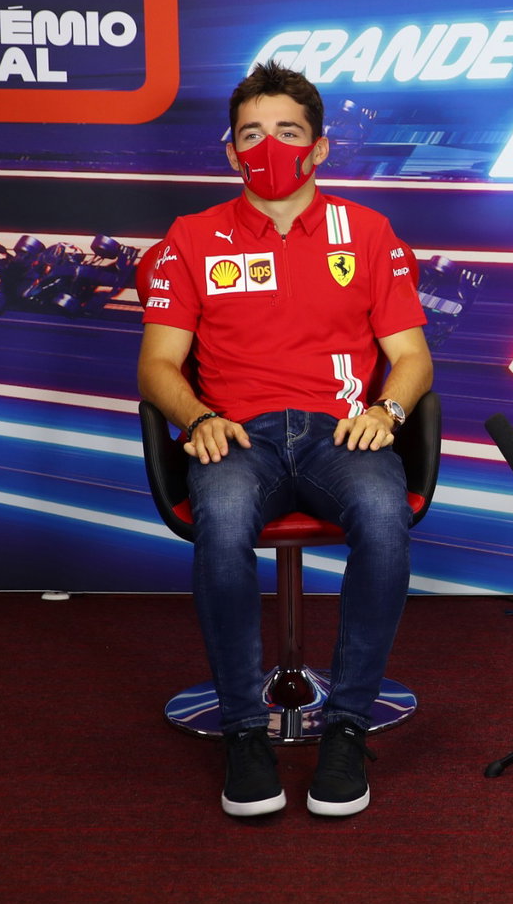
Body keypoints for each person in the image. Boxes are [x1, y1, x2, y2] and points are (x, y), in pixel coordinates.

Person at [138, 62, 433, 818]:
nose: (268, 146)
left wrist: (388, 415)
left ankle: (346, 725)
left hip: (343, 433)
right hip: (238, 436)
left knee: (383, 517)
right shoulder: (191, 237)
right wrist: (199, 418)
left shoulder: (365, 233)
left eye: (288, 132)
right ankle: (244, 731)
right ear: (231, 152)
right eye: (251, 134)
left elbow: (411, 358)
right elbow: (159, 364)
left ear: (320, 148)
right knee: (225, 519)